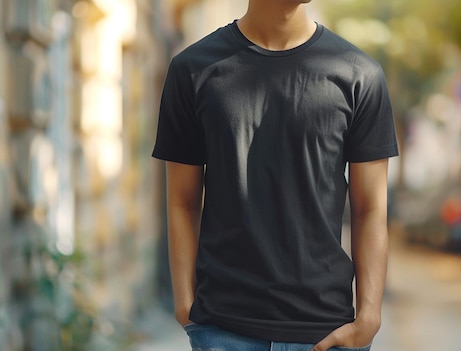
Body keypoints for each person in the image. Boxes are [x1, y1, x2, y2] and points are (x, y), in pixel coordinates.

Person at [152, 0, 399, 350]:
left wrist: (369, 315)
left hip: (325, 331)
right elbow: (181, 200)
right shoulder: (192, 69)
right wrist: (185, 304)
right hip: (224, 328)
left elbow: (370, 207)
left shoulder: (360, 75)